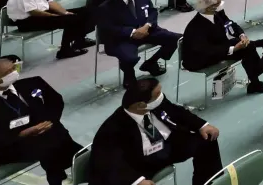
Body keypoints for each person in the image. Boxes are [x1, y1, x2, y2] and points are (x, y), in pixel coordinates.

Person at [89, 78, 222, 185]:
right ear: (141, 105)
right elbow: (110, 162)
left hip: (168, 145)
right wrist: (137, 181)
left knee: (207, 142)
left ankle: (208, 182)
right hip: (140, 162)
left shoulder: (156, 102)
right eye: (158, 94)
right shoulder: (112, 129)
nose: (162, 96)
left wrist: (202, 125)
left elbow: (177, 112)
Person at [0, 56, 82, 185]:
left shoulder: (33, 83)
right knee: (50, 142)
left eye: (14, 68)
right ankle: (78, 162)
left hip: (43, 135)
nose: (13, 72)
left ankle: (60, 174)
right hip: (8, 146)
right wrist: (21, 134)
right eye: (7, 73)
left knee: (53, 133)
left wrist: (50, 121)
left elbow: (55, 101)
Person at [97, 0, 180, 88]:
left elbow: (152, 12)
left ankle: (151, 63)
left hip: (147, 31)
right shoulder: (107, 7)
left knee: (177, 39)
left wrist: (147, 26)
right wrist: (132, 32)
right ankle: (129, 75)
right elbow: (109, 28)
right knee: (129, 58)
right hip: (122, 39)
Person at [5, 0, 95, 59]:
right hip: (27, 21)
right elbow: (34, 12)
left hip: (42, 14)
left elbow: (51, 3)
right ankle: (65, 50)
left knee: (85, 12)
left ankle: (80, 40)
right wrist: (55, 16)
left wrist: (65, 12)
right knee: (71, 20)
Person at [181, 0, 263, 92]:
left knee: (248, 45)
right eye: (218, 4)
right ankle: (256, 76)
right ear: (210, 7)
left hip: (217, 47)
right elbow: (204, 50)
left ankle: (255, 78)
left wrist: (241, 35)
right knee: (246, 50)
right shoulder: (195, 27)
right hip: (200, 58)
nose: (221, 5)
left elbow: (230, 23)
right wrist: (233, 49)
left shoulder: (215, 13)